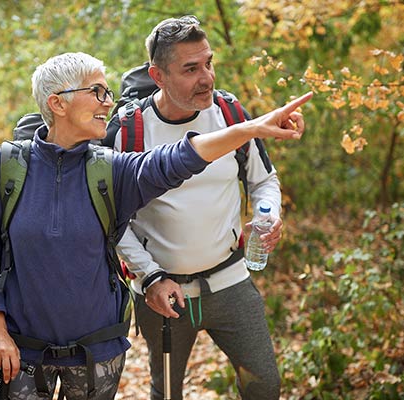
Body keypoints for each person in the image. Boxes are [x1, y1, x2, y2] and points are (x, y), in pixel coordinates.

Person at [0, 51, 309, 400]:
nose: (108, 102)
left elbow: (178, 159)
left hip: (97, 351)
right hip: (21, 350)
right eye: (97, 91)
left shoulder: (111, 170)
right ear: (58, 103)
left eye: (108, 92)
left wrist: (249, 128)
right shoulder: (5, 167)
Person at [104, 16, 284, 399]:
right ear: (158, 75)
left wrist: (269, 213)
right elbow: (111, 220)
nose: (207, 77)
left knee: (265, 385)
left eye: (208, 63)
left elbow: (263, 180)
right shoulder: (129, 131)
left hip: (231, 281)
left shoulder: (231, 115)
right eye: (190, 68)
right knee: (166, 392)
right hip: (163, 293)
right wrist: (149, 277)